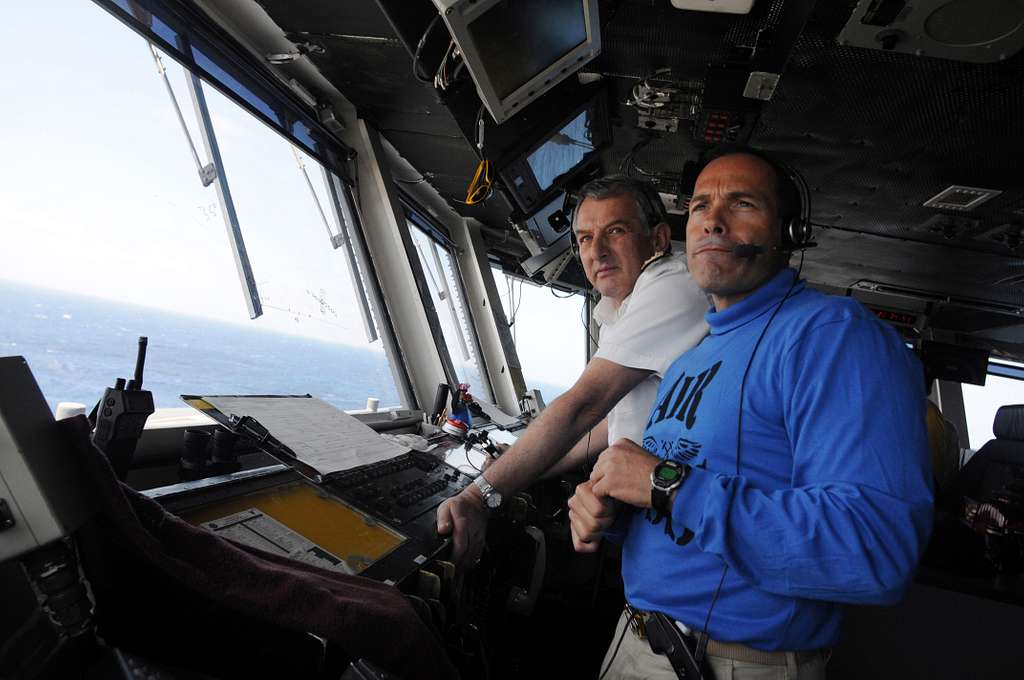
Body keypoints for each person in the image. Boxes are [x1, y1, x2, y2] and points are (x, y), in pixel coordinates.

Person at [568, 148, 934, 679]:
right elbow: (670, 501)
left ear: (789, 232)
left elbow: (875, 551)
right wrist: (612, 514)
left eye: (742, 203)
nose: (713, 219)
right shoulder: (691, 360)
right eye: (699, 206)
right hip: (637, 637)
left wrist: (666, 484)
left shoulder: (834, 337)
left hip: (731, 663)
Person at [436, 175, 709, 569]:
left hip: (682, 517)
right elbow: (601, 427)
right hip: (647, 520)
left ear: (659, 239)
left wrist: (480, 497)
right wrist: (516, 466)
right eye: (584, 238)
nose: (596, 251)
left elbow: (584, 406)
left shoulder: (673, 286)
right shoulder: (621, 309)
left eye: (615, 231)